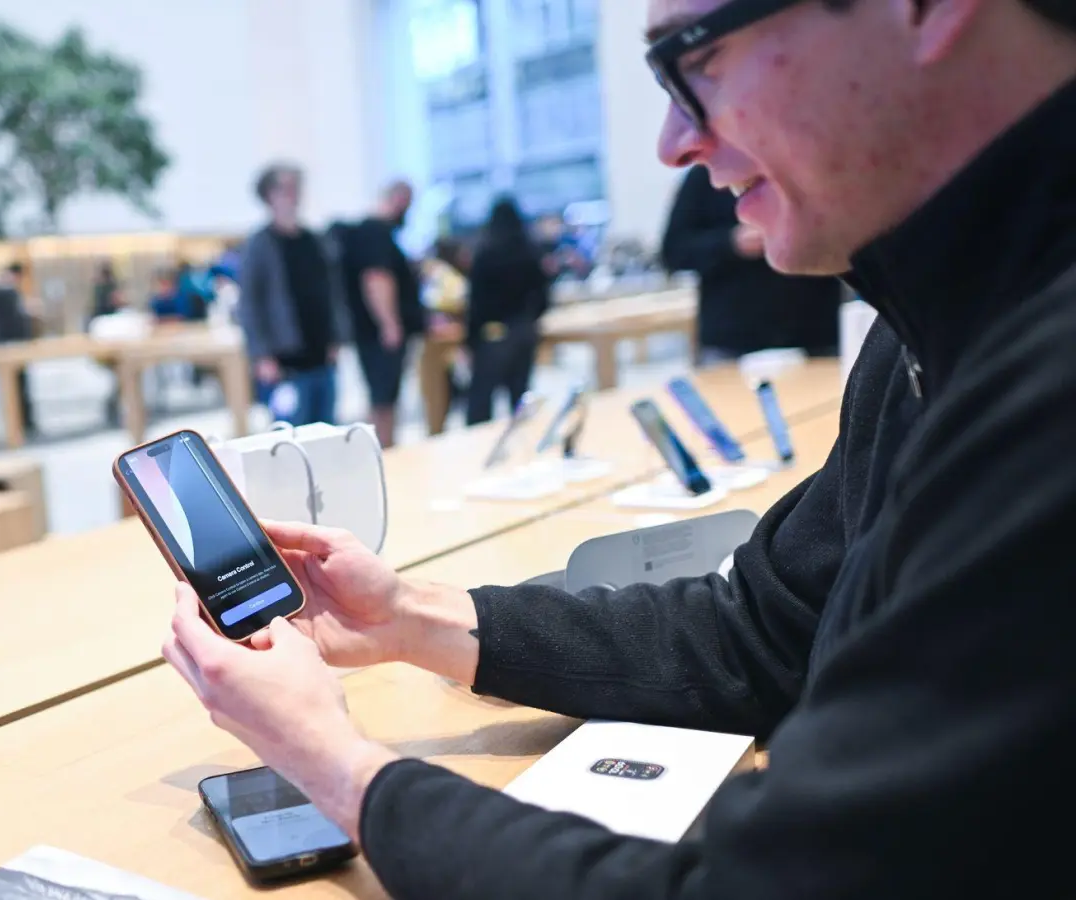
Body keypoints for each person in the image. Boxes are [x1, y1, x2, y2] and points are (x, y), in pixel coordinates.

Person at [161, 1, 1076, 896]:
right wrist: (409, 619)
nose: (674, 141)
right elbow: (763, 629)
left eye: (696, 60)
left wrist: (335, 766)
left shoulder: (1041, 400)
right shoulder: (936, 329)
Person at [663, 164, 845, 362]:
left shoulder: (811, 164)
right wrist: (731, 242)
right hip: (732, 341)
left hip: (816, 335)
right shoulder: (705, 174)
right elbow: (673, 251)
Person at [237, 163, 347, 426]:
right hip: (285, 363)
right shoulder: (260, 244)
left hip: (321, 355)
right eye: (285, 188)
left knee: (327, 429)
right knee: (291, 433)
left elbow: (330, 292)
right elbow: (250, 304)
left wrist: (335, 337)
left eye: (295, 187)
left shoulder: (314, 240)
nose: (292, 194)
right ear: (269, 195)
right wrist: (261, 356)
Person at [338, 180, 423, 448]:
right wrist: (390, 324)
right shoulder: (374, 231)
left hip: (377, 331)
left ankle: (386, 450)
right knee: (382, 400)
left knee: (386, 399)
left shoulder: (377, 232)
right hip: (378, 334)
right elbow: (376, 279)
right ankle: (381, 453)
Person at [463, 197, 550, 425]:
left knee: (481, 401)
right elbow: (544, 295)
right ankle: (523, 448)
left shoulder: (485, 253)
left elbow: (476, 302)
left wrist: (470, 339)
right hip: (523, 331)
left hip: (493, 334)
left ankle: (478, 450)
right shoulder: (531, 251)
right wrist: (530, 319)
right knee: (520, 397)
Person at [0, 262, 38, 435]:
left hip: (19, 344)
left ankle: (27, 422)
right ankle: (20, 425)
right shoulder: (0, 292)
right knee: (13, 387)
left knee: (23, 384)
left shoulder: (13, 293)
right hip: (7, 344)